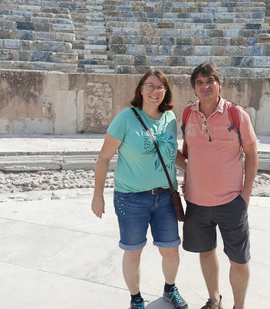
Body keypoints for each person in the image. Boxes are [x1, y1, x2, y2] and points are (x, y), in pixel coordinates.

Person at [91, 69, 188, 309]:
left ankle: (170, 289)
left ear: (166, 91)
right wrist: (97, 195)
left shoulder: (170, 119)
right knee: (133, 252)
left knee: (171, 250)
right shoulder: (126, 118)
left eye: (160, 87)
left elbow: (170, 153)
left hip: (165, 197)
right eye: (151, 86)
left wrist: (194, 170)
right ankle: (136, 299)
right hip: (131, 198)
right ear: (141, 89)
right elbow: (104, 158)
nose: (155, 91)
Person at [177, 63, 259, 309]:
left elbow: (252, 156)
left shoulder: (237, 114)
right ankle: (215, 301)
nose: (205, 86)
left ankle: (239, 306)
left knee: (239, 260)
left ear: (219, 84)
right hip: (197, 202)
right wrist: (189, 171)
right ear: (194, 88)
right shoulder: (187, 115)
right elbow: (186, 152)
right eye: (199, 83)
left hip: (231, 202)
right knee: (206, 251)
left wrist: (245, 196)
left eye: (210, 81)